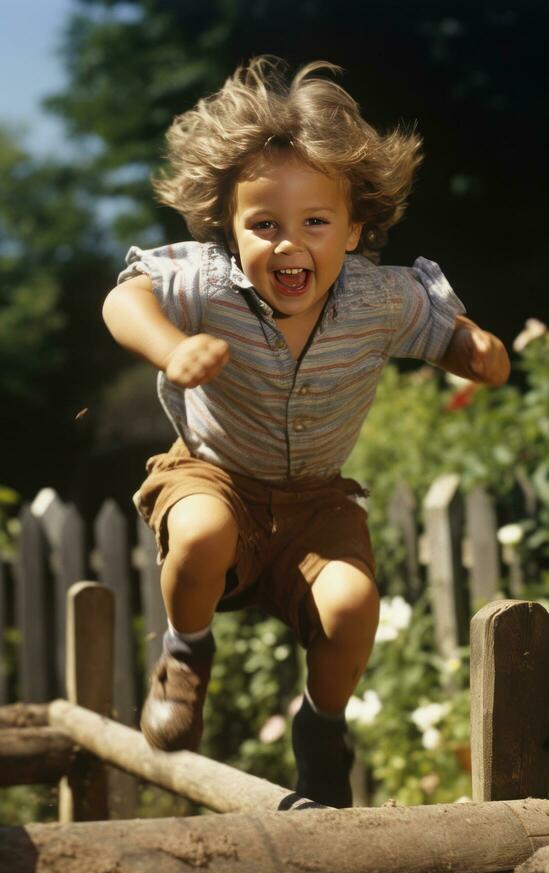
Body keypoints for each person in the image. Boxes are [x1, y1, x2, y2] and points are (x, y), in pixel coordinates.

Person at [102, 56, 510, 808]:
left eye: (314, 223)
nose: (289, 245)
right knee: (197, 533)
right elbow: (125, 300)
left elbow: (448, 332)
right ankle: (186, 654)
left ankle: (322, 730)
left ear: (354, 230)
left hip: (316, 503)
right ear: (228, 228)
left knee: (354, 605)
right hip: (212, 472)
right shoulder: (206, 281)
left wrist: (476, 353)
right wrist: (170, 347)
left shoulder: (380, 300)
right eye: (264, 225)